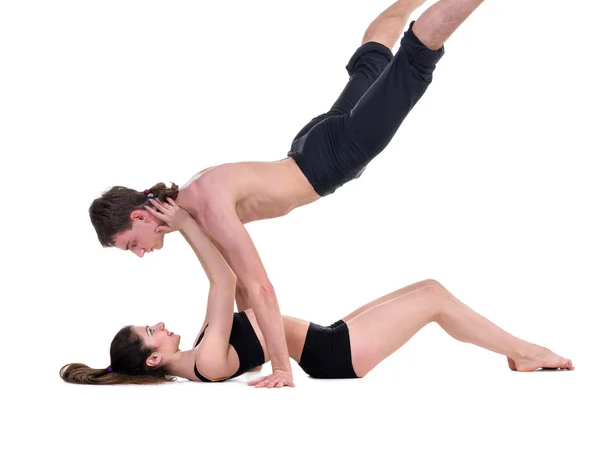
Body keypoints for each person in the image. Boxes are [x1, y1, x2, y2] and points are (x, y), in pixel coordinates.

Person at [89, 0, 560, 388]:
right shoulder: (195, 198)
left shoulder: (206, 208)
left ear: (138, 215)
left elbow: (257, 288)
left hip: (330, 160)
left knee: (413, 63)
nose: (141, 253)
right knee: (371, 64)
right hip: (309, 147)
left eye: (132, 243)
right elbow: (236, 289)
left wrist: (281, 367)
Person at [67, 199, 573, 386]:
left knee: (429, 288)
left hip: (329, 337)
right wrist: (187, 227)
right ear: (153, 360)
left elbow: (235, 285)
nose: (159, 324)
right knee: (435, 300)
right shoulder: (205, 362)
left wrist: (197, 220)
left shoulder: (203, 348)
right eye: (151, 332)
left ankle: (521, 352)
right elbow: (222, 282)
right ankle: (527, 353)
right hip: (336, 356)